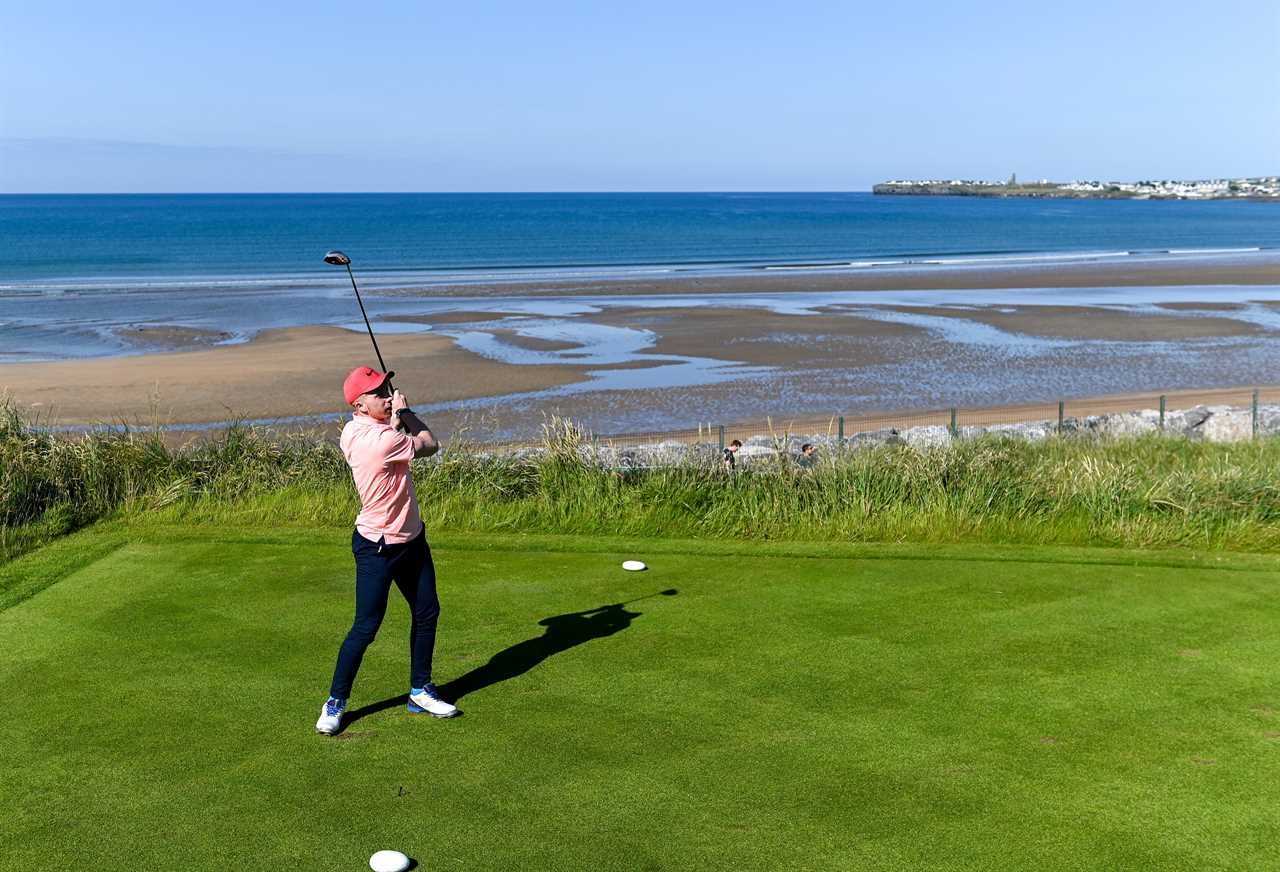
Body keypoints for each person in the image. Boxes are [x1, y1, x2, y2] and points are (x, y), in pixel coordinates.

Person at [316, 366, 458, 736]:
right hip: (378, 547)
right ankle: (335, 701)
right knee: (365, 628)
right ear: (359, 404)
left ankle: (420, 690)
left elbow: (388, 440)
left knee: (427, 612)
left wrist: (392, 421)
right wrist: (407, 414)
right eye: (378, 392)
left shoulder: (352, 430)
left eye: (387, 387)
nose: (386, 393)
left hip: (411, 539)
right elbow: (429, 444)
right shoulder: (382, 441)